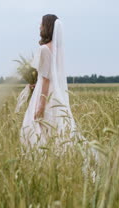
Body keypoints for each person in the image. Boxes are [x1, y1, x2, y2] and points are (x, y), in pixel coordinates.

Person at [19, 14, 84, 152]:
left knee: (35, 127)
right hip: (55, 93)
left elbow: (47, 78)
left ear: (47, 27)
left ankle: (40, 158)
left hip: (45, 94)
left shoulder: (44, 49)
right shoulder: (58, 50)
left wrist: (41, 105)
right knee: (55, 129)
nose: (39, 27)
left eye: (41, 24)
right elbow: (52, 75)